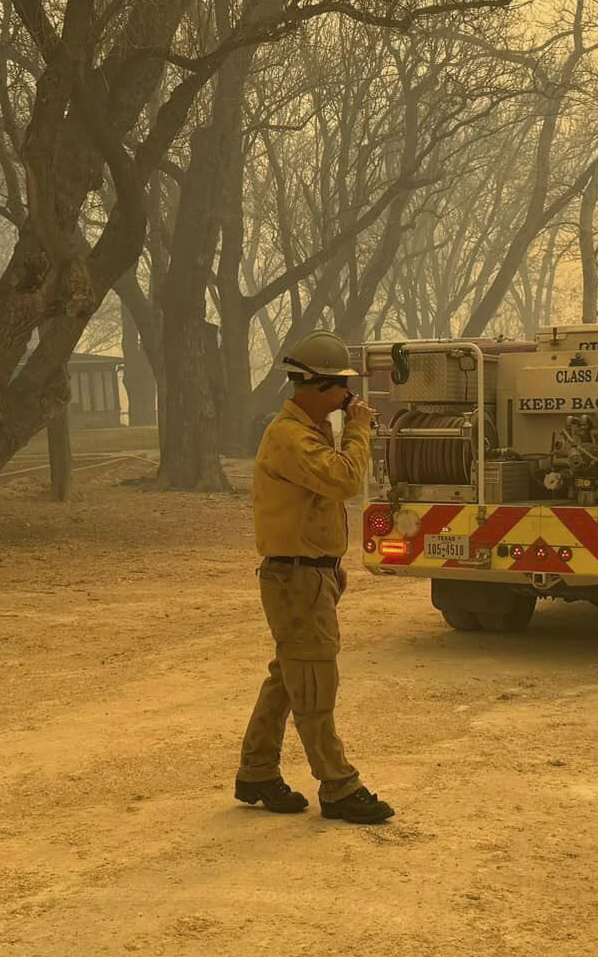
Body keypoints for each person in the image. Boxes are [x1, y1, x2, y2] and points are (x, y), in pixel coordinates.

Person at [234, 330, 395, 824]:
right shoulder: (292, 437)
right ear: (315, 386)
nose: (345, 399)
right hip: (296, 579)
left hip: (309, 574)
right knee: (315, 683)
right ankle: (339, 785)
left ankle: (257, 771)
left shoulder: (309, 430)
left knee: (291, 676)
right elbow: (345, 479)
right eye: (340, 390)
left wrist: (331, 565)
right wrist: (359, 429)